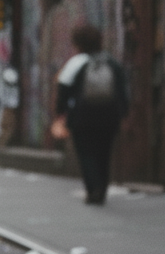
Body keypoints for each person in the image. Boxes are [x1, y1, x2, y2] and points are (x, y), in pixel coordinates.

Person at [53, 24, 128, 204]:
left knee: (86, 153)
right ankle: (102, 190)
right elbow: (122, 91)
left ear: (78, 43)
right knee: (104, 153)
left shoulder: (76, 63)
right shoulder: (111, 63)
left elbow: (63, 91)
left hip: (82, 117)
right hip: (109, 117)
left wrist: (61, 113)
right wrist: (123, 114)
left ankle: (92, 188)